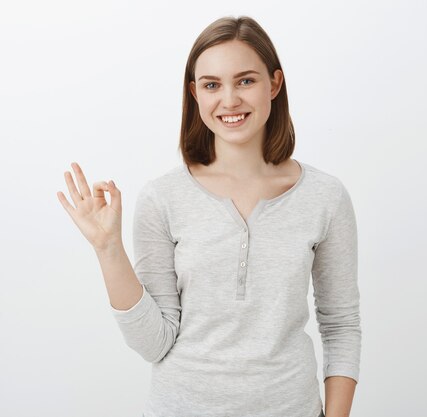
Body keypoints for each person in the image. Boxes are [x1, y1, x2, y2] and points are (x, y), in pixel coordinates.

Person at [57, 15, 361, 417]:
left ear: (274, 83)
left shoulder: (325, 196)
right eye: (212, 85)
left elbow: (340, 326)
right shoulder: (162, 198)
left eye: (246, 81)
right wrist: (107, 247)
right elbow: (155, 343)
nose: (230, 100)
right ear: (195, 93)